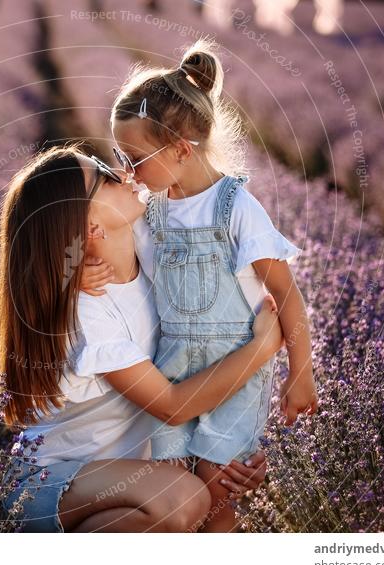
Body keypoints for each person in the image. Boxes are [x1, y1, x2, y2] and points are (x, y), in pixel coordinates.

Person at [81, 38, 318, 532]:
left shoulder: (236, 208)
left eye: (136, 157)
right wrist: (84, 268)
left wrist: (301, 373)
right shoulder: (153, 210)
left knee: (218, 488)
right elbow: (114, 250)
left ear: (181, 150)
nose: (127, 171)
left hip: (235, 374)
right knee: (171, 480)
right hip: (174, 370)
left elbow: (287, 293)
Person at [0, 144, 285, 532]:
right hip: (49, 484)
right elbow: (174, 406)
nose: (122, 172)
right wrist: (261, 347)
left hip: (131, 479)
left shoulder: (152, 254)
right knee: (184, 499)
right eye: (103, 174)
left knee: (216, 495)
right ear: (91, 227)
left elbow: (201, 358)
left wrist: (233, 450)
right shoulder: (87, 310)